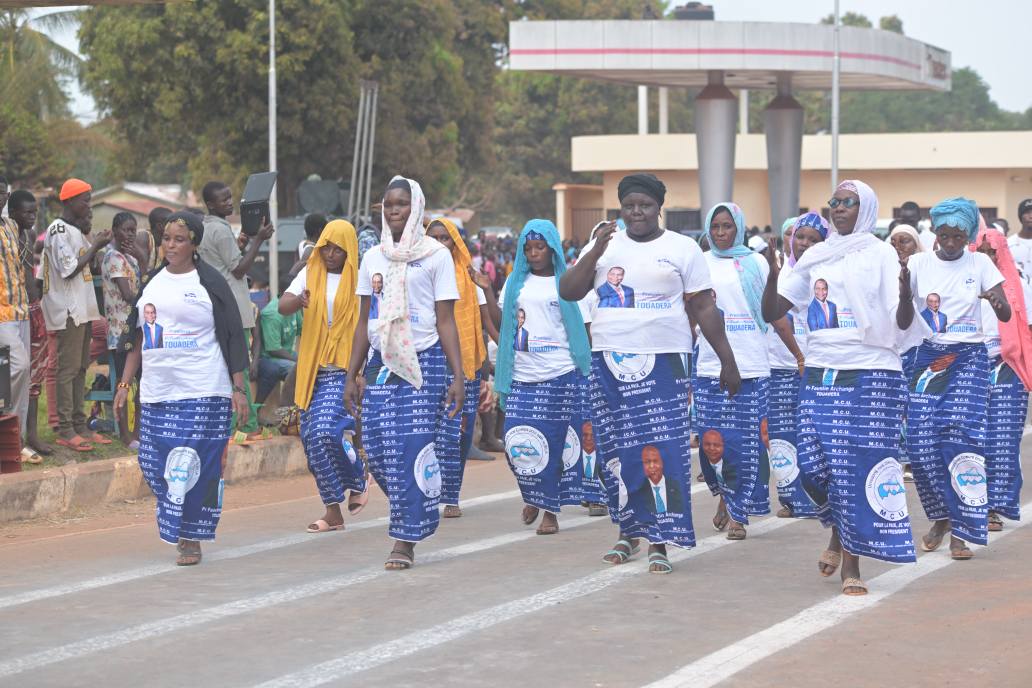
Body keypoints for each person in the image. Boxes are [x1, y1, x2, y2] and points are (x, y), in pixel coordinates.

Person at [560, 173, 741, 574]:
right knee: (616, 450)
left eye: (644, 205)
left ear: (659, 208)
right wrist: (596, 250)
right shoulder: (603, 245)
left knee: (661, 447)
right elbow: (569, 290)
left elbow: (704, 308)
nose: (636, 212)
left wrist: (728, 361)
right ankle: (627, 532)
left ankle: (659, 538)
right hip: (609, 360)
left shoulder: (681, 248)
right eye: (629, 206)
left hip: (664, 361)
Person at [763, 179, 916, 595]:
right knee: (813, 467)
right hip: (820, 370)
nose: (839, 207)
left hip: (871, 370)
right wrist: (774, 273)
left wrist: (906, 294)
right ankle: (837, 529)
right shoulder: (817, 255)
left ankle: (852, 563)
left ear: (865, 208)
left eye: (849, 202)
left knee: (853, 469)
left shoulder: (881, 254)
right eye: (835, 201)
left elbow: (902, 322)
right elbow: (774, 309)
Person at [343, 176, 464, 570]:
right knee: (378, 449)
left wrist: (458, 376)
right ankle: (422, 496)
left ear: (417, 208)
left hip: (425, 360)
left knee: (411, 446)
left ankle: (404, 539)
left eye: (402, 204)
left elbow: (446, 320)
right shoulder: (373, 257)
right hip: (382, 361)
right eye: (389, 204)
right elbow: (364, 321)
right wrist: (351, 375)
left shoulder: (436, 256)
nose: (394, 210)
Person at [114, 211, 248, 566]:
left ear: (194, 244)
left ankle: (191, 535)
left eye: (179, 240)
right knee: (152, 461)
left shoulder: (210, 283)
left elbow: (233, 335)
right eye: (166, 239)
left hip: (204, 387)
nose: (170, 246)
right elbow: (138, 336)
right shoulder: (152, 283)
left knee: (195, 463)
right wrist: (124, 384)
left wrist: (238, 389)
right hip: (158, 390)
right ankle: (181, 521)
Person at [899, 198, 1010, 560]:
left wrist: (996, 301)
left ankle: (961, 531)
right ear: (935, 232)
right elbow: (903, 319)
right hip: (928, 356)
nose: (950, 242)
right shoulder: (917, 264)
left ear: (968, 236)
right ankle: (942, 517)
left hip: (969, 358)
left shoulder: (980, 263)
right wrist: (904, 292)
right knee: (919, 445)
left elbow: (1006, 314)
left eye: (958, 236)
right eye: (944, 235)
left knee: (959, 440)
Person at [483, 219, 592, 535]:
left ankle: (549, 511)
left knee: (552, 445)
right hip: (521, 375)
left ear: (552, 248)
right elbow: (502, 322)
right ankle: (532, 492)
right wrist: (487, 290)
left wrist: (586, 370)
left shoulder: (567, 283)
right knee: (515, 439)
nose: (534, 253)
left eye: (540, 247)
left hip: (559, 373)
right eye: (528, 248)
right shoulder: (515, 282)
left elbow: (583, 328)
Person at [697, 202, 796, 540]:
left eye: (727, 226)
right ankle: (724, 495)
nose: (721, 233)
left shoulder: (756, 262)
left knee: (743, 444)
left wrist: (773, 277)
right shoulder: (700, 263)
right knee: (711, 442)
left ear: (738, 227)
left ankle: (738, 512)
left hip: (751, 364)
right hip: (709, 365)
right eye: (715, 227)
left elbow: (769, 312)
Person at [280, 220, 369, 532]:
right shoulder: (309, 272)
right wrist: (299, 301)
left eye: (338, 250)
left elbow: (367, 327)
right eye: (326, 247)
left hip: (343, 368)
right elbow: (283, 305)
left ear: (349, 251)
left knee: (324, 432)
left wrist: (360, 372)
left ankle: (358, 475)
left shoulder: (360, 279)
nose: (330, 254)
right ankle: (333, 511)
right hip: (312, 369)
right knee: (310, 440)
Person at [427, 218, 497, 518]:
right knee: (432, 433)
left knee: (457, 434)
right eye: (434, 238)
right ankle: (429, 492)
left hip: (465, 365)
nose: (439, 244)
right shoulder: (417, 275)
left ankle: (451, 495)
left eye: (445, 238)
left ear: (455, 243)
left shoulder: (469, 279)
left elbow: (489, 324)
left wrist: (507, 359)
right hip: (428, 361)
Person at [198, 181, 274, 440]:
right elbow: (239, 269)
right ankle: (246, 426)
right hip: (234, 305)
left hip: (220, 304)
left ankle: (238, 424)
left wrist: (241, 245)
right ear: (211, 204)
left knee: (229, 368)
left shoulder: (208, 227)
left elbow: (221, 262)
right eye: (224, 200)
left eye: (230, 198)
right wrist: (258, 241)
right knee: (239, 367)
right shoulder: (220, 230)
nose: (230, 203)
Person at [764, 212, 828, 518]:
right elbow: (775, 317)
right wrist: (797, 356)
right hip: (781, 364)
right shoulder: (783, 272)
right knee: (782, 436)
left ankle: (819, 498)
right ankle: (792, 499)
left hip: (816, 365)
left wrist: (804, 358)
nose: (802, 243)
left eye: (812, 240)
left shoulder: (826, 273)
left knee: (812, 435)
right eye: (796, 236)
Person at [41, 179, 112, 453]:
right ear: (69, 201)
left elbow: (88, 267)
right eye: (85, 200)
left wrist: (95, 244)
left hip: (83, 308)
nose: (88, 206)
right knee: (67, 369)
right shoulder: (58, 229)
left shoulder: (76, 230)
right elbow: (69, 269)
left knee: (81, 367)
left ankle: (80, 425)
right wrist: (95, 246)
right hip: (68, 309)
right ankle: (65, 428)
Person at [972, 219, 1032, 531]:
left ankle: (994, 506)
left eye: (992, 252)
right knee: (971, 438)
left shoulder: (1018, 286)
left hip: (1008, 365)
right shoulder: (963, 282)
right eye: (981, 251)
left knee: (1002, 439)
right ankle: (971, 502)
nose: (987, 257)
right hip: (969, 364)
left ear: (1002, 253)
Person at [7, 190, 50, 459]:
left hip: (30, 309)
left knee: (35, 374)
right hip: (11, 311)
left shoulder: (27, 235)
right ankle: (13, 435)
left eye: (35, 212)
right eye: (27, 212)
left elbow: (29, 274)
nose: (32, 217)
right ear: (13, 213)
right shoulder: (9, 233)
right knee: (19, 368)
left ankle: (27, 435)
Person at [889, 223, 931, 483]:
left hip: (919, 346)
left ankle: (916, 460)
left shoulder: (926, 270)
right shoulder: (885, 271)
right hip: (893, 347)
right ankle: (899, 459)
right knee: (897, 406)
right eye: (893, 242)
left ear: (916, 245)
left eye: (904, 241)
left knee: (916, 405)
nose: (898, 247)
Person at [0, 182, 36, 463]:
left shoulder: (11, 226)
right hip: (1, 314)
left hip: (21, 310)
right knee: (19, 365)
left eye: (2, 192)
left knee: (23, 379)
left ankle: (17, 442)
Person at [101, 212, 141, 446]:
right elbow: (128, 294)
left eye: (133, 231)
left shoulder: (131, 259)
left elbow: (144, 276)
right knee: (123, 385)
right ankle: (125, 435)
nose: (130, 235)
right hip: (120, 331)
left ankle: (138, 433)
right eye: (126, 230)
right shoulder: (113, 257)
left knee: (141, 383)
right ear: (115, 230)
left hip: (135, 328)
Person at [257, 288, 302, 409]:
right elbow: (273, 349)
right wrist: (298, 361)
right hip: (269, 357)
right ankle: (288, 412)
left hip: (287, 353)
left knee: (314, 367)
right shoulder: (273, 313)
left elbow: (303, 330)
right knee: (298, 370)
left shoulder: (295, 306)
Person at [287, 213, 326, 280]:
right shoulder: (311, 249)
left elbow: (296, 262)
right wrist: (291, 280)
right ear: (320, 230)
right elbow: (297, 268)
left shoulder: (301, 244)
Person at [138, 206, 172, 271]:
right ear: (160, 226)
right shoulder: (144, 237)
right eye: (170, 224)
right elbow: (142, 271)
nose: (174, 227)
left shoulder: (161, 244)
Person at [1006, 198, 1032, 284]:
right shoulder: (1008, 244)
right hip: (1018, 291)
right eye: (1027, 212)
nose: (1031, 216)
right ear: (1020, 216)